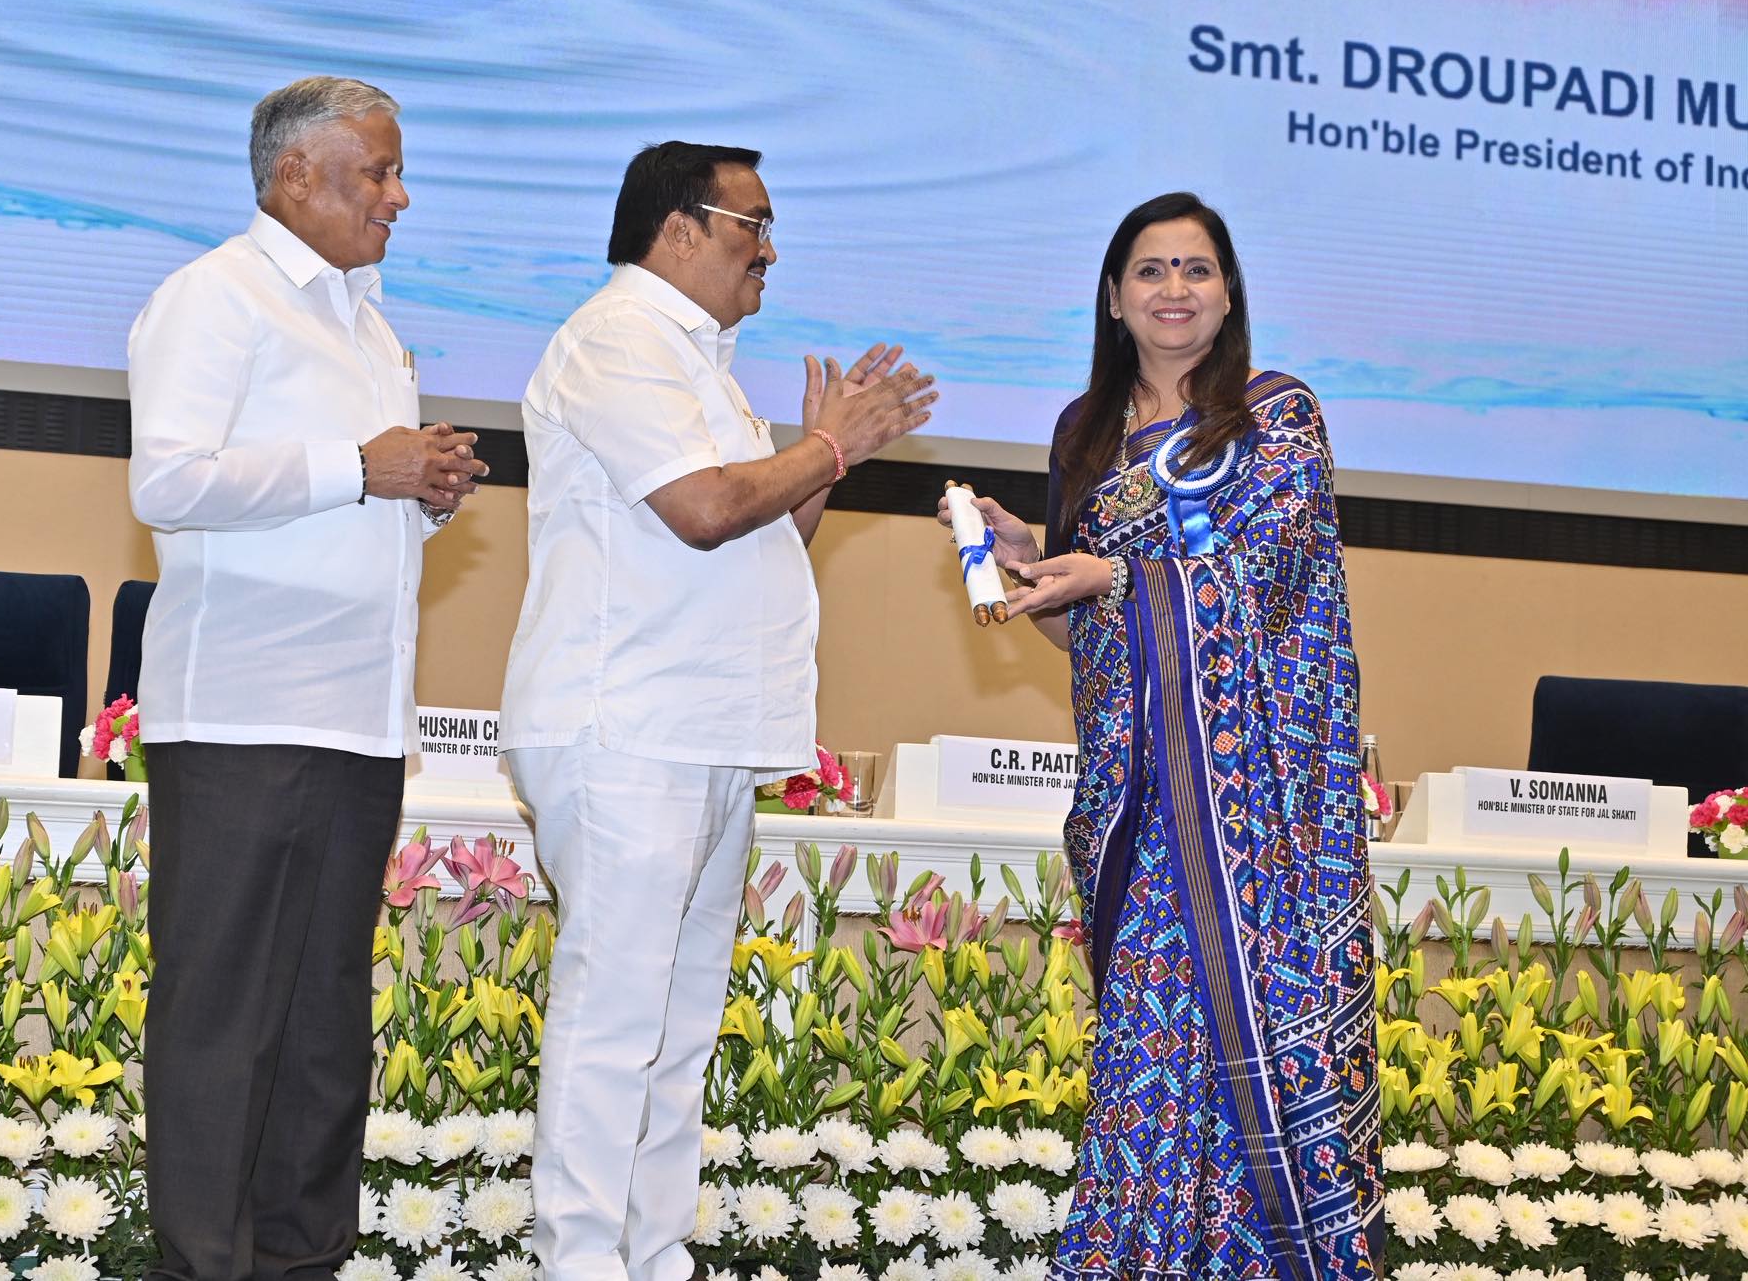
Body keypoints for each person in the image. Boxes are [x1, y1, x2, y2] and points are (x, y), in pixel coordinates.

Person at [499, 140, 937, 1281]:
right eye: (754, 225)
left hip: (700, 730)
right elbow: (702, 509)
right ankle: (580, 1264)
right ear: (680, 227)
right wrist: (825, 445)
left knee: (678, 1021)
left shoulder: (700, 359)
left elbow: (763, 536)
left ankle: (654, 1255)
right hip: (626, 726)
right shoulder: (618, 338)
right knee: (615, 1017)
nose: (769, 251)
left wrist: (822, 464)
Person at [941, 193, 1381, 1280]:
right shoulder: (1082, 433)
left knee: (1258, 1044)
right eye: (1149, 269)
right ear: (1111, 296)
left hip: (1257, 815)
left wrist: (1117, 576)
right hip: (1136, 797)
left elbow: (1273, 582)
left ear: (1228, 294)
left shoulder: (1276, 417)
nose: (1173, 289)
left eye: (1195, 269)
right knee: (1147, 1049)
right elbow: (1080, 630)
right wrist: (1030, 565)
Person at [128, 76, 487, 1280]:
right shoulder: (213, 296)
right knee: (223, 1020)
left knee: (324, 1027)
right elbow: (167, 482)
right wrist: (359, 466)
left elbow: (354, 491)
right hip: (242, 711)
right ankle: (202, 1264)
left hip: (356, 716)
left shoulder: (372, 326)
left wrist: (420, 492)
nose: (399, 195)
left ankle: (300, 1260)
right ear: (293, 175)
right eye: (377, 171)